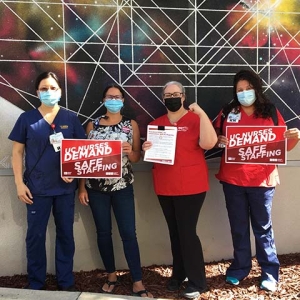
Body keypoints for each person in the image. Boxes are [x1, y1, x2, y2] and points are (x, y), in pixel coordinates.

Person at [214, 69, 300, 293]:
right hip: (233, 180)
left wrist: (293, 139)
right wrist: (218, 140)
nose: (244, 93)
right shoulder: (227, 112)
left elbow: (282, 145)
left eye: (248, 89)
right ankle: (240, 268)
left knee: (263, 228)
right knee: (239, 228)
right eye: (239, 90)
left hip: (262, 180)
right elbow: (211, 138)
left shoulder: (270, 111)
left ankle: (270, 272)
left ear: (256, 89)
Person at [8, 71, 86, 291]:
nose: (49, 92)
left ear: (60, 91)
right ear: (37, 92)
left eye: (53, 88)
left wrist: (76, 176)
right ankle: (36, 282)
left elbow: (82, 152)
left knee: (65, 235)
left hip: (64, 189)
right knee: (35, 236)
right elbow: (17, 153)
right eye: (44, 88)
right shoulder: (27, 119)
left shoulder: (70, 119)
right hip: (36, 189)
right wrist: (19, 184)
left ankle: (65, 281)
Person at [142, 81, 217, 299]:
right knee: (175, 233)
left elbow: (209, 143)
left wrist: (202, 114)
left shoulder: (195, 119)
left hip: (191, 187)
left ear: (183, 96)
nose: (172, 97)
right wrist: (148, 147)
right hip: (165, 185)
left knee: (187, 233)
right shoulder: (156, 124)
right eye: (168, 94)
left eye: (176, 94)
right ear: (163, 99)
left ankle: (197, 281)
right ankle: (179, 273)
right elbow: (153, 155)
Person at [78, 84, 153, 298]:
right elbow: (85, 159)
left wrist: (131, 152)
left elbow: (137, 158)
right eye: (110, 96)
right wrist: (81, 187)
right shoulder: (91, 126)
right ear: (103, 100)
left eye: (118, 96)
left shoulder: (131, 125)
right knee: (103, 233)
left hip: (123, 187)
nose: (114, 99)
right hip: (95, 189)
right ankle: (111, 275)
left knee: (129, 234)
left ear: (123, 100)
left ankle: (137, 279)